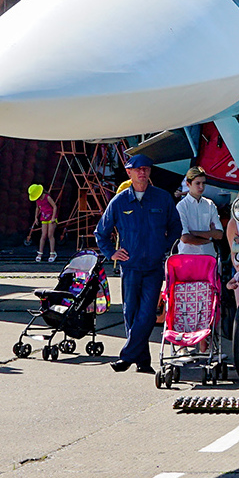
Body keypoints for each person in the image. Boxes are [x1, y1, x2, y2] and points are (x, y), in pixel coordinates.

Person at [96, 155, 183, 375]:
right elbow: (101, 233)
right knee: (130, 313)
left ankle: (126, 357)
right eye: (137, 169)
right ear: (129, 173)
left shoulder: (162, 199)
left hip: (154, 267)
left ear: (150, 171)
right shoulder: (119, 202)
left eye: (145, 169)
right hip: (130, 266)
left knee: (146, 313)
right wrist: (112, 253)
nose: (142, 173)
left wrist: (163, 247)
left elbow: (176, 228)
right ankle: (143, 361)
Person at [174, 168, 221, 257]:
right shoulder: (181, 206)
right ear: (188, 184)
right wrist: (208, 238)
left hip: (208, 257)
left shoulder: (210, 204)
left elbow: (219, 234)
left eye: (203, 183)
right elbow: (185, 238)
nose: (201, 187)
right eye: (197, 183)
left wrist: (193, 233)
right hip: (187, 257)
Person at [28, 184, 57, 262]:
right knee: (43, 235)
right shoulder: (37, 200)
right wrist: (36, 218)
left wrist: (53, 217)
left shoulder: (47, 197)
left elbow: (54, 206)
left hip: (51, 218)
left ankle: (52, 253)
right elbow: (37, 208)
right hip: (44, 218)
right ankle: (40, 253)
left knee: (50, 235)